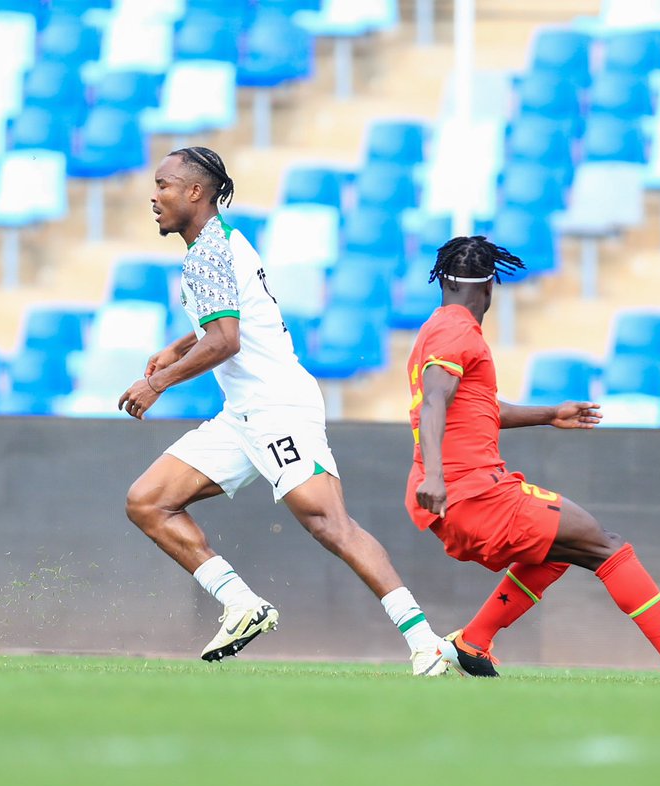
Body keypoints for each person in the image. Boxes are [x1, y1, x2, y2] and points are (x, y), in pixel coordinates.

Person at [119, 147, 457, 675]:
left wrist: (158, 381)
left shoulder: (208, 252)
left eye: (164, 185)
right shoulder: (221, 242)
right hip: (244, 412)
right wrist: (180, 346)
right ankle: (241, 604)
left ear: (194, 192)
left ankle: (425, 640)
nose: (154, 197)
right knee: (148, 501)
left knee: (329, 524)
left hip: (276, 406)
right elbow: (236, 314)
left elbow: (227, 340)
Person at [406, 235, 660, 683]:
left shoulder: (436, 330)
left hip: (455, 493)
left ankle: (473, 642)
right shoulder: (458, 332)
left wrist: (551, 413)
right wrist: (436, 475)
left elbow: (474, 408)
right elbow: (436, 399)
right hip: (472, 492)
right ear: (491, 287)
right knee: (606, 545)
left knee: (554, 552)